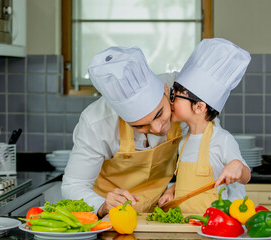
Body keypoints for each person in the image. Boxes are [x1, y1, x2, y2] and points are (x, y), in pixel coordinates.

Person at [62, 46, 186, 217]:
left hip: (157, 215)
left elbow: (208, 140)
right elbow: (74, 185)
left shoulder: (184, 94)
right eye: (140, 126)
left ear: (165, 90)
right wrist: (101, 205)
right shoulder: (96, 122)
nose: (158, 129)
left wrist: (182, 185)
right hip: (110, 220)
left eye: (159, 114)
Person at [157, 38, 252, 215]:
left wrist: (237, 166)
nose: (171, 101)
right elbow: (193, 182)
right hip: (191, 225)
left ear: (199, 107)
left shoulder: (221, 139)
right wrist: (172, 191)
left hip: (219, 225)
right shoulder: (184, 141)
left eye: (176, 96)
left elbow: (246, 176)